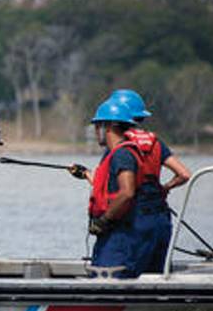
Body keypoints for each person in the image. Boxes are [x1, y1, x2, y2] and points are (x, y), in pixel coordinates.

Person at [68, 90, 190, 276]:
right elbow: (184, 174)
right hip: (159, 221)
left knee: (106, 275)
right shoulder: (153, 143)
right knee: (152, 279)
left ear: (107, 126)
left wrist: (103, 221)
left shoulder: (120, 152)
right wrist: (164, 189)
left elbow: (126, 193)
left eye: (97, 126)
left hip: (130, 223)